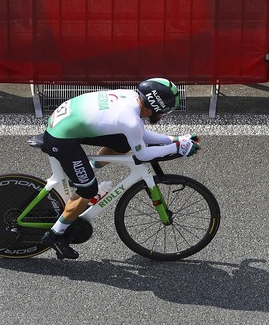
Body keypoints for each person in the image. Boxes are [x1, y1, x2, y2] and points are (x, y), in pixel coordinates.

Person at [40, 77, 200, 259]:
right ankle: (55, 235)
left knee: (124, 143)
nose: (163, 116)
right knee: (88, 190)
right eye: (164, 111)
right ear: (156, 108)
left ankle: (88, 170)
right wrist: (177, 147)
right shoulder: (130, 120)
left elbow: (139, 134)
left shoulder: (132, 97)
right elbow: (142, 154)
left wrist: (175, 140)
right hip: (61, 137)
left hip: (66, 121)